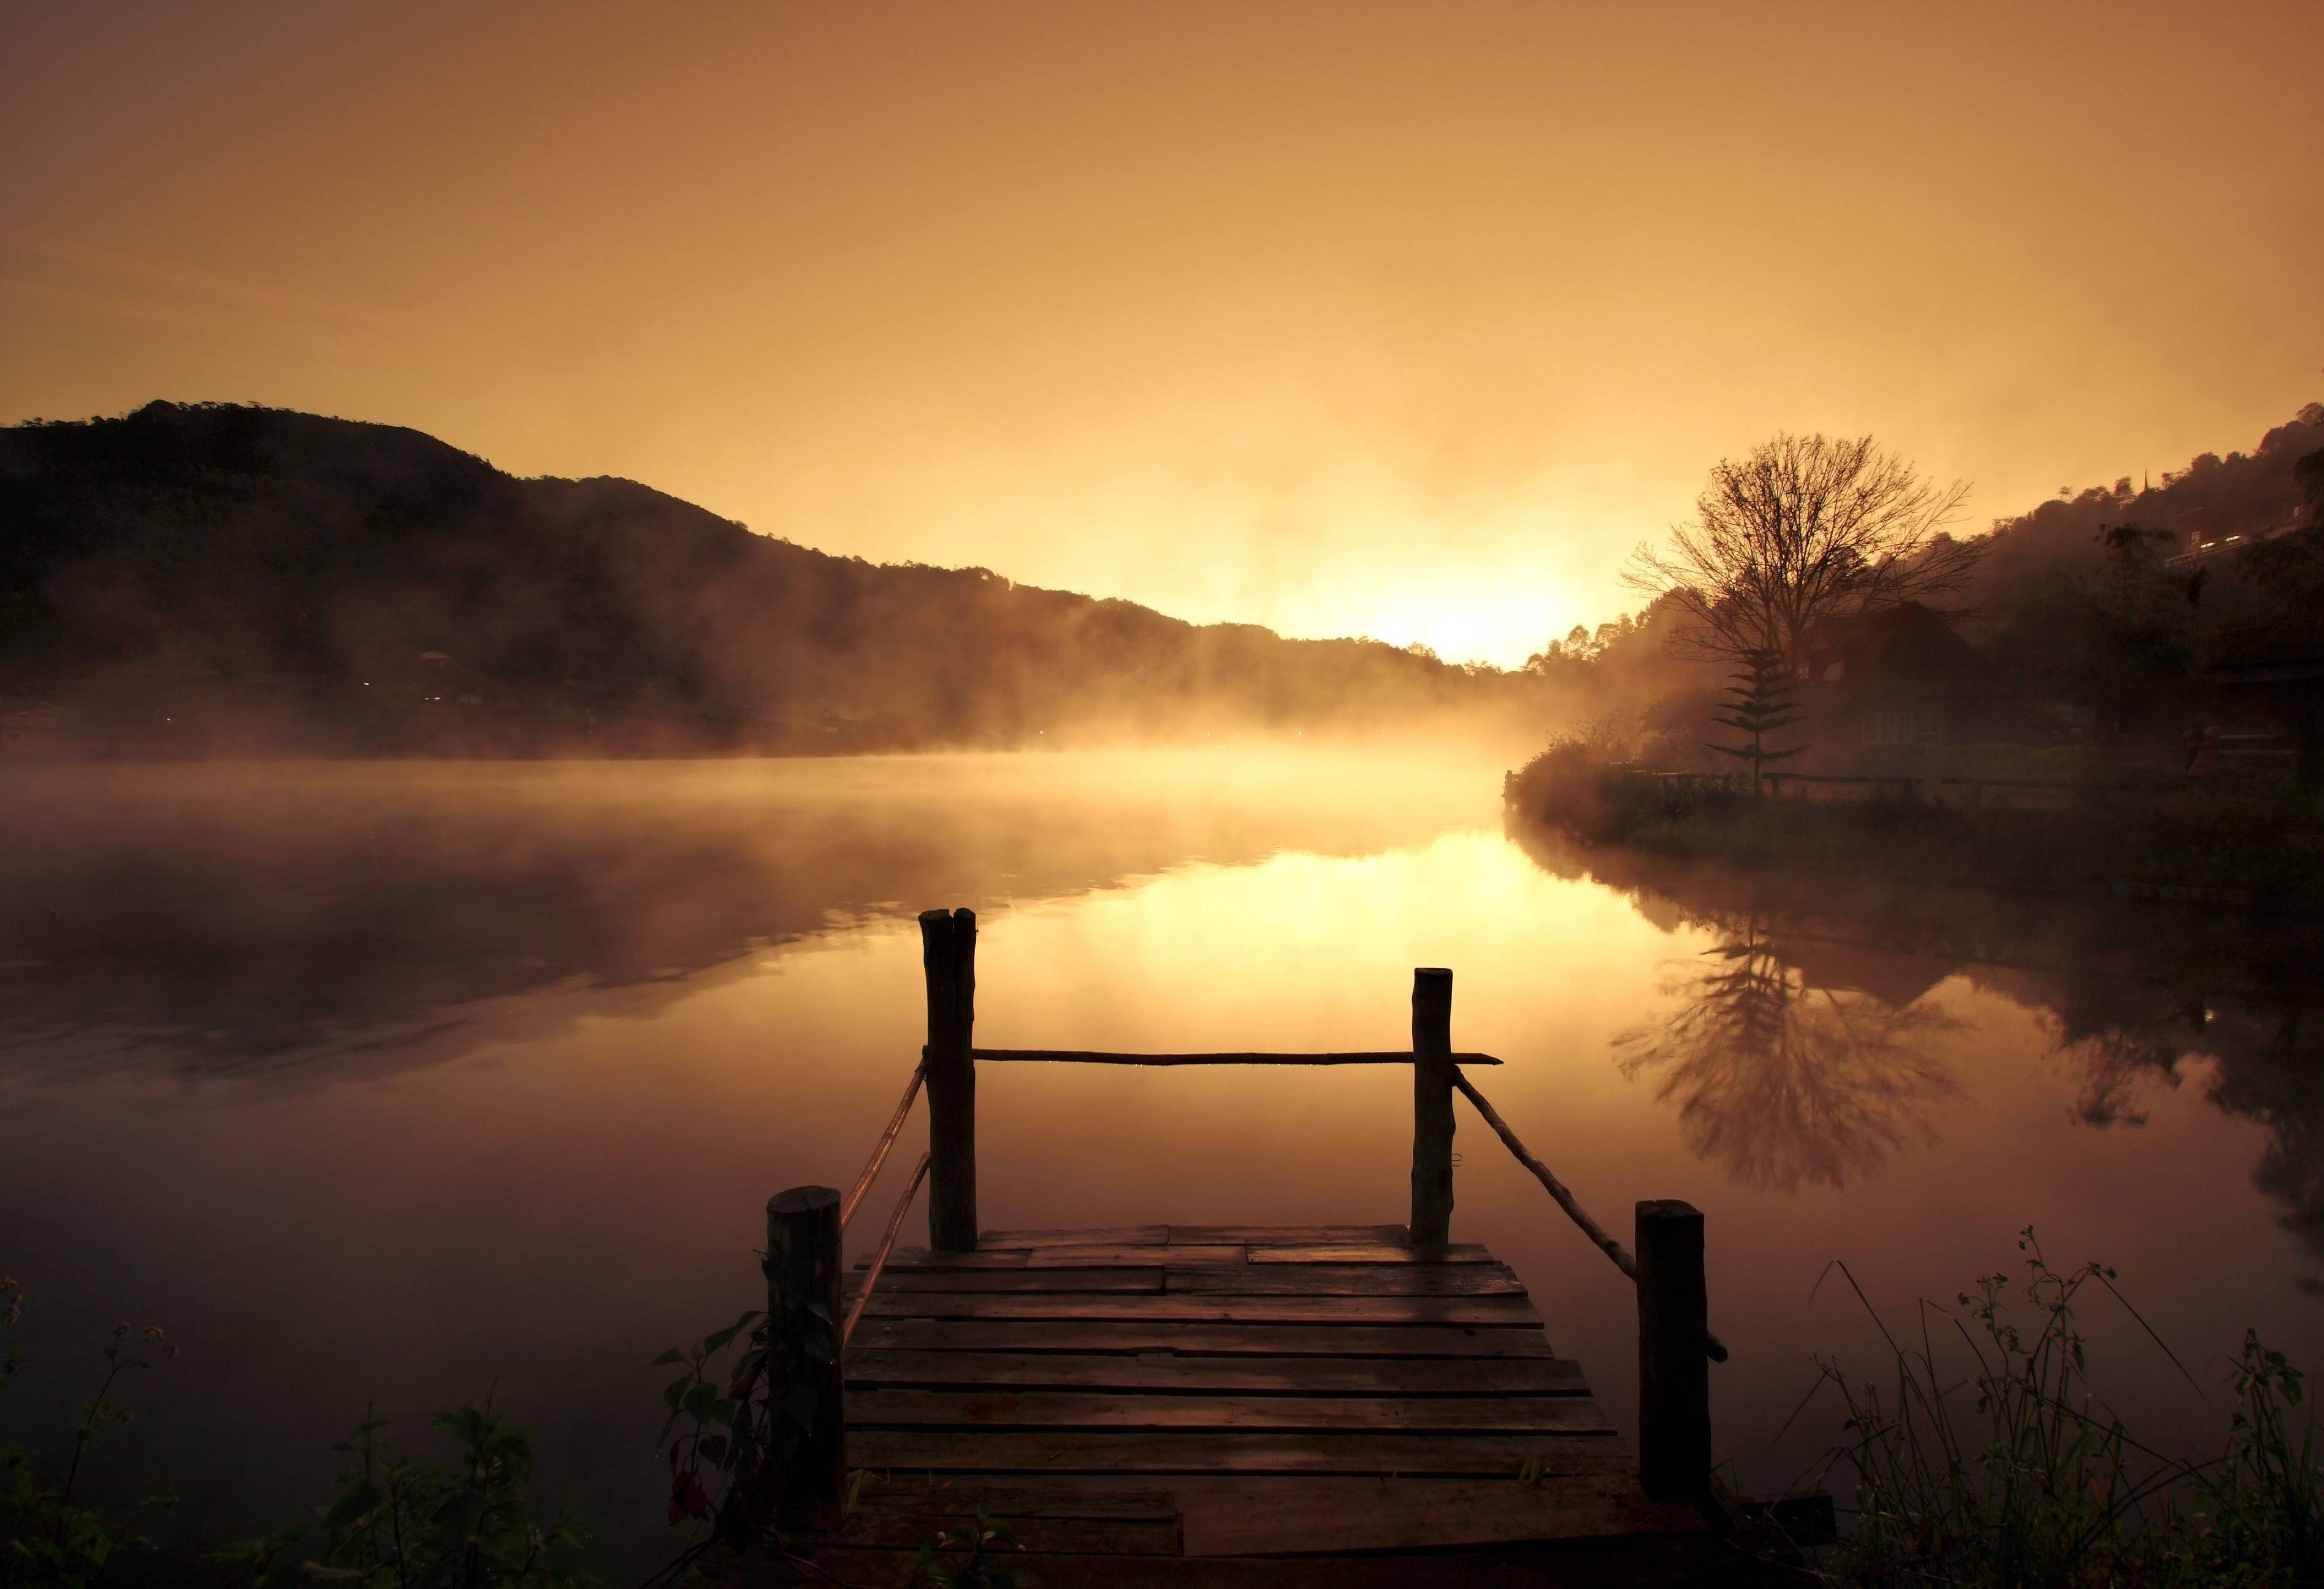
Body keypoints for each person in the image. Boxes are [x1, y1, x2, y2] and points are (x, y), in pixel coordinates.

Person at [2187, 724, 2222, 792]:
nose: (2205, 736)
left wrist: (2191, 741)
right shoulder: (2213, 743)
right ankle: (2206, 790)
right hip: (2207, 764)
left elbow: (2195, 746)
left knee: (2205, 779)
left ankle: (2206, 791)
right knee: (2205, 779)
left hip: (2204, 765)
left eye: (2207, 735)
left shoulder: (2211, 744)